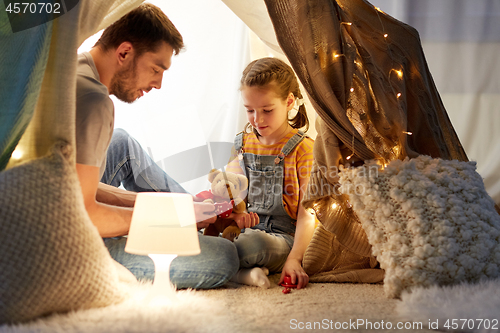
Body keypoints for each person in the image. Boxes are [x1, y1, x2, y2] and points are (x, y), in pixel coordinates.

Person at [75, 3, 253, 289]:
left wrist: (176, 208)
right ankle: (194, 224)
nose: (158, 83)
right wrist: (165, 220)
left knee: (121, 142)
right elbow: (82, 213)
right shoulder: (94, 102)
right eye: (156, 69)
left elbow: (78, 184)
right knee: (225, 257)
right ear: (124, 52)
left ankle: (196, 214)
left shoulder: (75, 70)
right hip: (70, 245)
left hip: (55, 205)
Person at [226, 57, 316, 289]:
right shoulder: (241, 145)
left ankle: (235, 270)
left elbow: (308, 214)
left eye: (267, 109)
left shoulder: (304, 148)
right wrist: (237, 217)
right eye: (250, 110)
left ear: (288, 102)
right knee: (206, 238)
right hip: (244, 229)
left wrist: (295, 258)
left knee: (251, 246)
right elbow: (231, 201)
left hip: (283, 238)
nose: (258, 119)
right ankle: (243, 273)